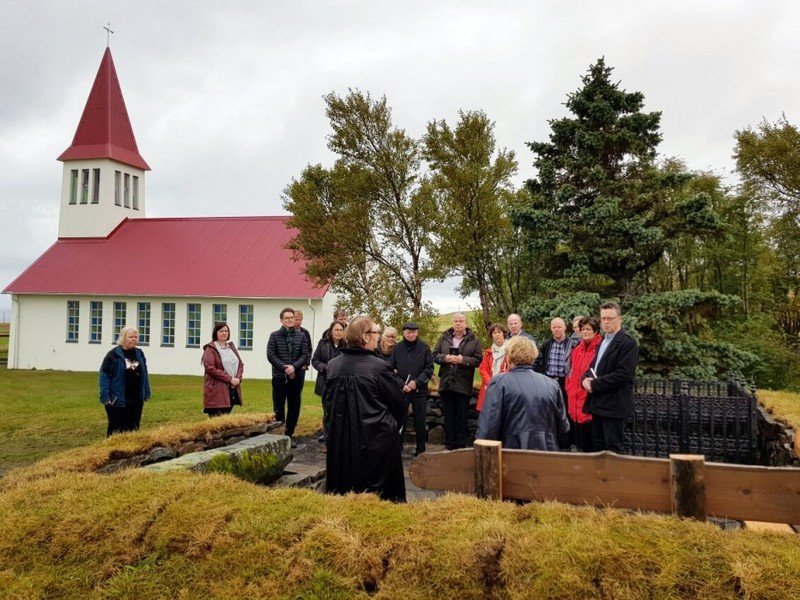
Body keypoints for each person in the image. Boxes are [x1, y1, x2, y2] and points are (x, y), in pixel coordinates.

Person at [324, 316, 406, 502]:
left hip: (341, 441)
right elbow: (399, 403)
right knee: (381, 497)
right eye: (376, 332)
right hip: (375, 441)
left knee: (344, 493)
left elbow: (328, 406)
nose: (378, 336)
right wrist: (391, 427)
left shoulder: (333, 366)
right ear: (365, 337)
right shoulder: (379, 368)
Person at [476, 336, 569, 450]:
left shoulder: (499, 382)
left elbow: (489, 426)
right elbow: (563, 427)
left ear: (508, 356)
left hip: (512, 454)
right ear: (533, 356)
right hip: (547, 452)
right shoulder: (552, 384)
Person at [581, 302, 639, 453]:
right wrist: (585, 379)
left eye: (609, 318)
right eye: (603, 318)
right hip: (598, 405)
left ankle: (615, 478)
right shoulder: (603, 342)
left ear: (619, 319)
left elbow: (622, 375)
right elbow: (594, 367)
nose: (605, 322)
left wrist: (594, 385)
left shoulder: (627, 343)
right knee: (598, 447)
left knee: (613, 449)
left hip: (614, 407)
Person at [433, 313, 483, 450]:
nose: (458, 323)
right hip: (446, 382)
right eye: (456, 321)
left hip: (463, 383)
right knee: (448, 416)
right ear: (453, 323)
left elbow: (479, 360)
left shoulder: (474, 340)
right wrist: (445, 358)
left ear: (466, 323)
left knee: (461, 416)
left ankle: (460, 445)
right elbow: (435, 355)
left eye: (461, 321)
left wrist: (463, 360)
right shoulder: (444, 337)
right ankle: (449, 444)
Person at [267, 308, 311, 447]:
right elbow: (271, 355)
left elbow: (305, 354)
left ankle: (289, 434)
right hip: (279, 376)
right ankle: (279, 435)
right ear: (282, 320)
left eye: (292, 317)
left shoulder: (301, 336)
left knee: (294, 405)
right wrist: (285, 367)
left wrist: (294, 367)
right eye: (287, 318)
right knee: (278, 405)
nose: (290, 320)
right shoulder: (274, 336)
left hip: (296, 377)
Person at [389, 322, 434, 456]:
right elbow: (391, 369)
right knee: (400, 420)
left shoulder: (424, 347)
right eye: (408, 332)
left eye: (414, 332)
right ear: (403, 333)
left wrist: (417, 382)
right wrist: (402, 384)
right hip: (402, 391)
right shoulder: (397, 348)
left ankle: (421, 450)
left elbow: (429, 368)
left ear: (417, 333)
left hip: (419, 391)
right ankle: (398, 448)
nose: (411, 334)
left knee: (420, 422)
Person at [99, 325, 151, 436]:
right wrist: (104, 395)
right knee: (116, 429)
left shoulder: (139, 353)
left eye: (136, 337)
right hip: (118, 399)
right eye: (131, 337)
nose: (134, 339)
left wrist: (146, 392)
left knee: (133, 428)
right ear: (123, 338)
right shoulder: (113, 355)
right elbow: (104, 376)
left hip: (136, 398)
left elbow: (144, 374)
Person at [564, 316, 601, 451]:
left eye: (588, 329)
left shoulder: (600, 349)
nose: (585, 332)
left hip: (589, 401)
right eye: (583, 329)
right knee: (579, 442)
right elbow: (571, 372)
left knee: (592, 444)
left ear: (595, 331)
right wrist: (569, 388)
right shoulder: (577, 349)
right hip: (574, 399)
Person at [311, 320, 346, 448]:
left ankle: (339, 435)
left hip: (341, 381)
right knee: (327, 411)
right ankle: (327, 435)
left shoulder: (347, 345)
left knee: (341, 410)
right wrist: (325, 367)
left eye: (341, 330)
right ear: (331, 331)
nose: (339, 332)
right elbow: (315, 360)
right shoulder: (323, 343)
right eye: (336, 330)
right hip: (325, 380)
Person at [201, 321, 244, 417]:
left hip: (232, 387)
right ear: (215, 333)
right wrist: (230, 379)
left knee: (226, 417)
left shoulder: (231, 347)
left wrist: (238, 378)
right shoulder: (210, 349)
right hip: (217, 389)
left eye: (226, 331)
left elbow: (240, 364)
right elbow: (211, 369)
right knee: (217, 419)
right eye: (221, 331)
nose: (224, 333)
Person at [533, 317, 570, 397]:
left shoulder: (570, 344)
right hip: (548, 381)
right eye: (554, 327)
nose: (556, 329)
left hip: (564, 382)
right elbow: (538, 360)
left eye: (559, 327)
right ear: (551, 328)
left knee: (564, 406)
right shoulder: (546, 344)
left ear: (564, 328)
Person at [477, 323, 509, 411]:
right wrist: (490, 382)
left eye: (499, 332)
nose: (497, 334)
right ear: (491, 335)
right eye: (494, 333)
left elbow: (511, 369)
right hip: (490, 387)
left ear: (503, 333)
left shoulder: (510, 351)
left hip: (505, 387)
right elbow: (482, 369)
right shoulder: (488, 352)